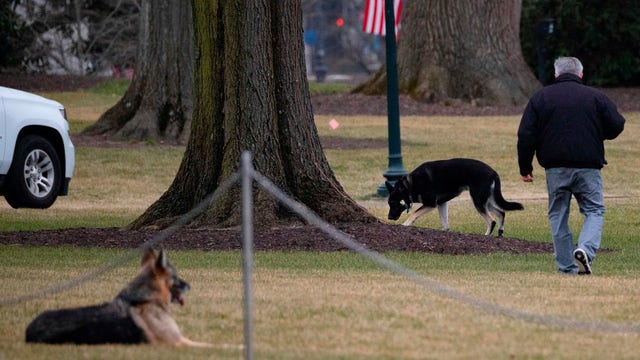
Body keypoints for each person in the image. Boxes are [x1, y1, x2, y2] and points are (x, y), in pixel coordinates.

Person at [517, 56, 625, 275]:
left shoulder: (541, 98)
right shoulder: (595, 96)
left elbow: (526, 135)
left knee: (558, 214)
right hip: (588, 166)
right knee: (594, 209)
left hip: (555, 168)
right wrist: (596, 134)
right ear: (580, 74)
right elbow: (617, 124)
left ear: (555, 74)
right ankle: (585, 248)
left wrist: (525, 167)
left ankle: (566, 268)